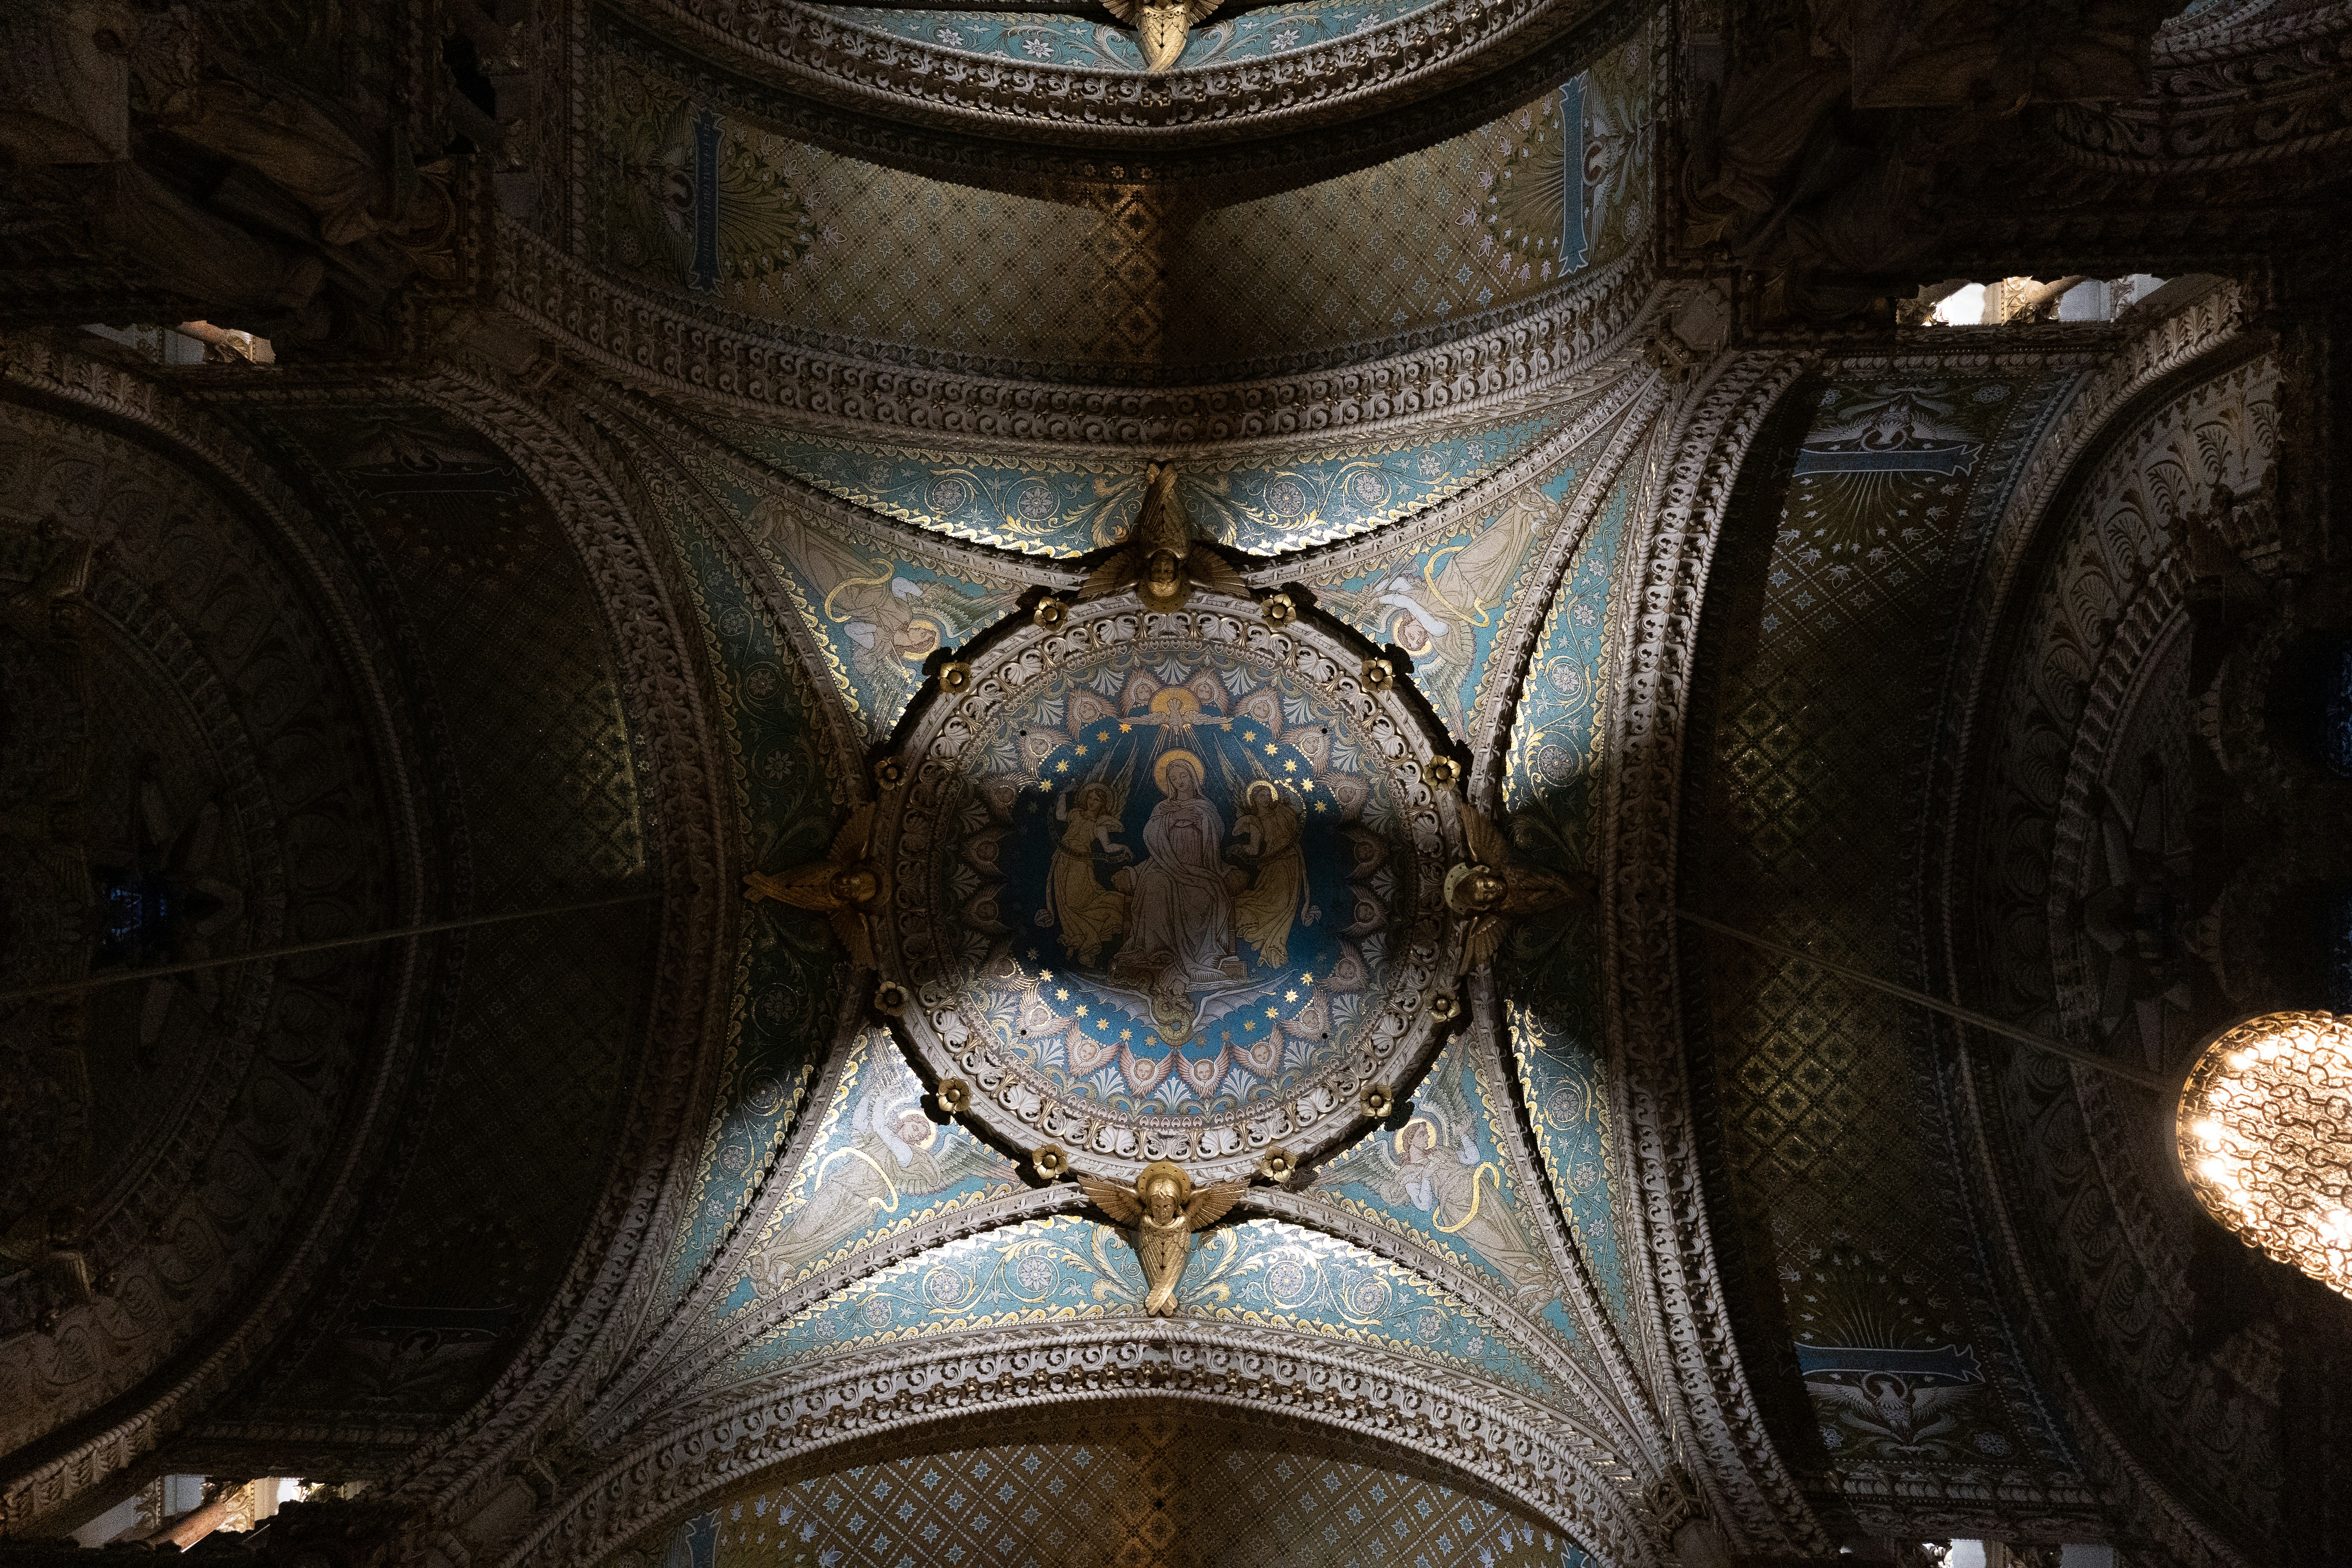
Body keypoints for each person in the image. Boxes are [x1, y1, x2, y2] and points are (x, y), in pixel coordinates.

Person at [1112, 754, 1243, 989]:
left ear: (1193, 778)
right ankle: (1158, 952)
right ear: (1169, 783)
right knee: (1153, 884)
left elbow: (1217, 832)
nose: (1180, 781)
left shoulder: (1206, 806)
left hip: (1198, 867)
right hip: (1164, 865)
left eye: (1184, 775)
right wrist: (1174, 818)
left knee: (1208, 893)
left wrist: (1202, 820)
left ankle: (1205, 954)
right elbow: (1150, 834)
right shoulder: (1163, 808)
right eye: (1174, 778)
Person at [1041, 782, 1131, 965]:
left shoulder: (1100, 825)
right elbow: (1060, 815)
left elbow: (1107, 847)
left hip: (1081, 864)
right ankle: (1079, 941)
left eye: (1097, 800)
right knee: (1064, 902)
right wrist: (1063, 794)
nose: (1092, 801)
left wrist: (1123, 848)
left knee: (1077, 902)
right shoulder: (1075, 814)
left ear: (1103, 804)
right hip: (1063, 860)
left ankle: (1088, 940)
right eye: (1090, 797)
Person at [1231, 780, 1317, 968]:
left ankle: (1276, 944)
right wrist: (1239, 848)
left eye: (1269, 794)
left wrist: (1288, 788)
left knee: (1289, 904)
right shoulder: (1255, 822)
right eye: (1262, 796)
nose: (1267, 798)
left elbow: (1298, 808)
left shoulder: (1282, 812)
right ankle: (1267, 939)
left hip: (1292, 859)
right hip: (1274, 862)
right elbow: (1254, 850)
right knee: (1277, 902)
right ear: (1254, 800)